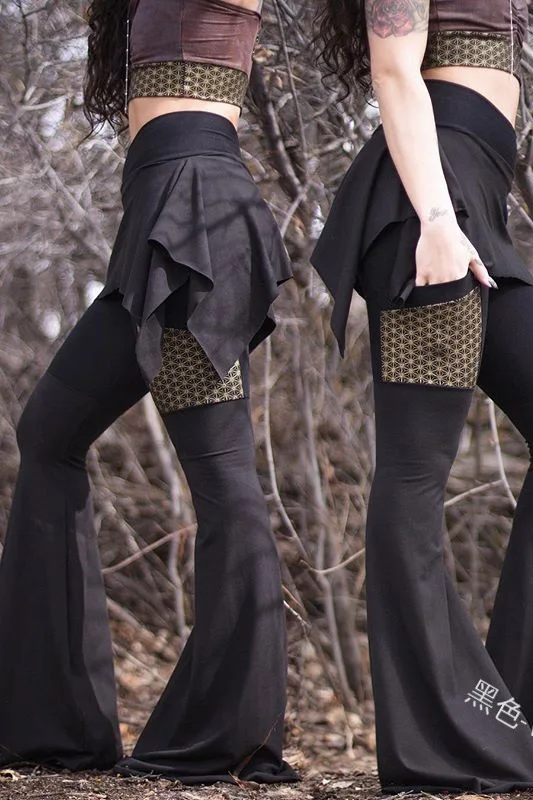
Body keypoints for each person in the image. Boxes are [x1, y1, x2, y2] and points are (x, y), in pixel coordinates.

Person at [312, 0, 533, 794]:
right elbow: (394, 71)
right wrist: (436, 218)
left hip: (476, 201)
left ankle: (519, 720)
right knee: (416, 471)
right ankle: (441, 743)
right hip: (430, 208)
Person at [0, 0, 299, 785]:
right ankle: (55, 726)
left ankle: (231, 737)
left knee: (224, 485)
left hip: (199, 225)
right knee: (49, 434)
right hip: (159, 222)